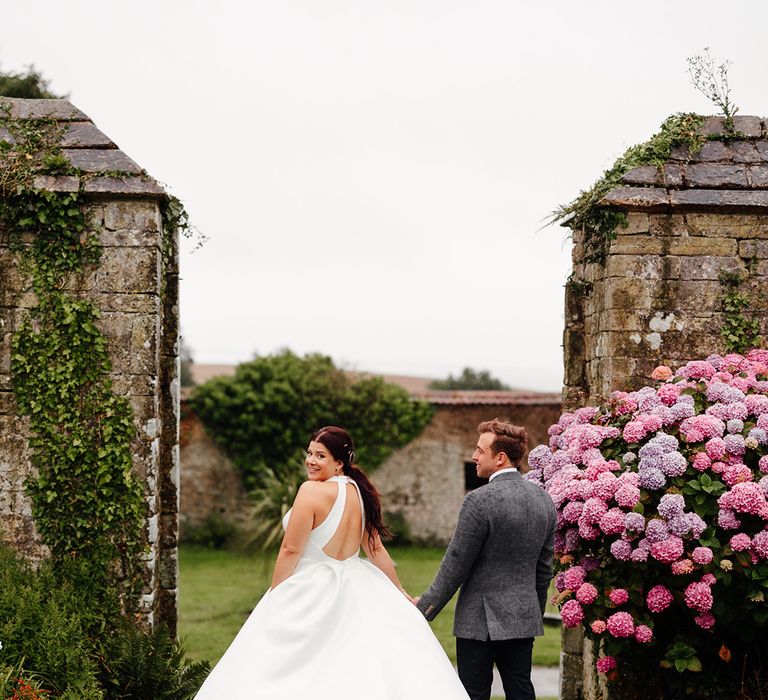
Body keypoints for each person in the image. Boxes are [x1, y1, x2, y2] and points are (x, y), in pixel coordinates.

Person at [194, 425, 469, 700]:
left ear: (339, 463)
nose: (310, 461)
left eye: (321, 456)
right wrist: (398, 592)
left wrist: (276, 598)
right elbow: (375, 549)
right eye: (310, 453)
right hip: (357, 582)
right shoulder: (359, 492)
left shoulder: (311, 491)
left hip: (309, 586)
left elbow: (290, 550)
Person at [415, 419, 557, 700]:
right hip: (522, 619)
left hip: (478, 623)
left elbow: (456, 562)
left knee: (473, 694)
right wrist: (531, 613)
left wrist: (425, 608)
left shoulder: (478, 501)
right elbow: (544, 571)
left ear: (500, 458)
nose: (474, 456)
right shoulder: (544, 500)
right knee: (521, 691)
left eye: (480, 451)